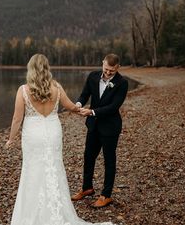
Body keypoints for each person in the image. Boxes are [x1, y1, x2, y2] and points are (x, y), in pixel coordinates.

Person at [6, 54, 115, 225]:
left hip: (33, 135)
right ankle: (57, 211)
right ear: (47, 69)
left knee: (32, 170)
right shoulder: (56, 87)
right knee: (54, 167)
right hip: (53, 131)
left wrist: (11, 139)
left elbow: (17, 119)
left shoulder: (23, 90)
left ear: (31, 70)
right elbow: (71, 106)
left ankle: (32, 214)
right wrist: (84, 110)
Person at [72, 53, 128, 208]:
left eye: (112, 70)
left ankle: (106, 195)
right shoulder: (93, 76)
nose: (108, 73)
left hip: (110, 127)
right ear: (102, 63)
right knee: (88, 156)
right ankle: (87, 188)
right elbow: (84, 95)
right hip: (93, 125)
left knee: (109, 161)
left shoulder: (122, 83)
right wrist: (78, 104)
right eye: (106, 69)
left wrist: (92, 112)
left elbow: (113, 107)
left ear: (118, 68)